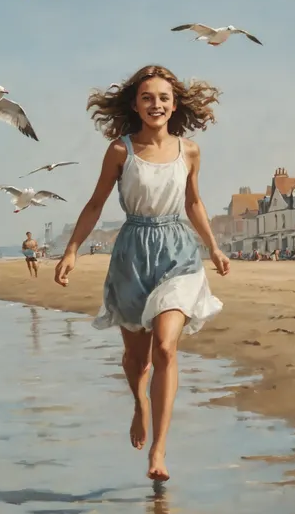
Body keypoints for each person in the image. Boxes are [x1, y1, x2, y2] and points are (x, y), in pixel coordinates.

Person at [54, 65, 230, 482]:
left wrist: (215, 248)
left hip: (178, 253)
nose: (157, 105)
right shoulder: (121, 150)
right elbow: (96, 204)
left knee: (166, 348)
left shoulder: (189, 151)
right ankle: (139, 401)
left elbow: (193, 203)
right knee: (138, 358)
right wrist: (72, 250)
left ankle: (159, 450)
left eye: (164, 98)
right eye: (148, 97)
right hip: (132, 254)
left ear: (175, 104)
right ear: (135, 104)